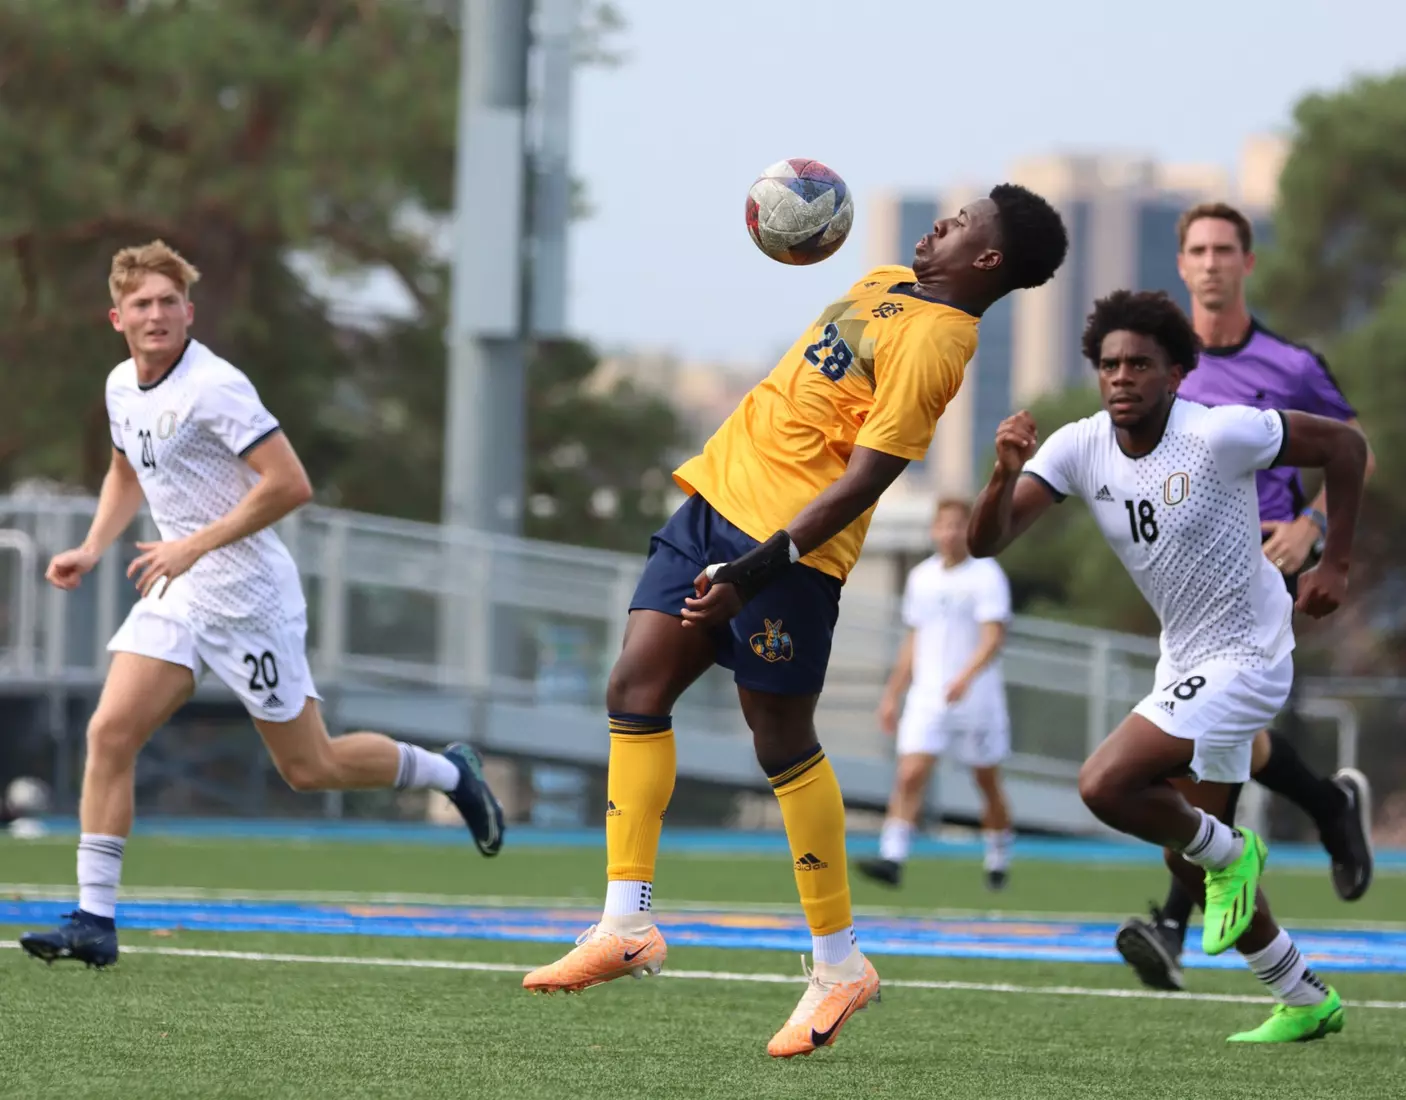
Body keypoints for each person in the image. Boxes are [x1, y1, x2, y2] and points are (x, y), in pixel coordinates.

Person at [520, 185, 1070, 1058]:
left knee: (780, 741)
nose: (943, 223)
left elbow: (865, 481)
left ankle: (839, 965)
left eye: (962, 224)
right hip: (713, 502)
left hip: (788, 556)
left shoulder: (939, 344)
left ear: (989, 261)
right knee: (634, 686)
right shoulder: (889, 279)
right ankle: (625, 923)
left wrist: (752, 572)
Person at [19, 242, 505, 969]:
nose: (156, 315)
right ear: (116, 317)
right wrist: (92, 546)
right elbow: (127, 468)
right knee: (109, 733)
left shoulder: (215, 386)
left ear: (189, 311)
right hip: (179, 593)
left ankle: (450, 773)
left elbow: (290, 484)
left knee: (310, 767)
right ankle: (94, 920)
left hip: (249, 599)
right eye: (141, 305)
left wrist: (192, 545)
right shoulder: (123, 385)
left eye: (168, 302)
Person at [968, 289, 1366, 1043]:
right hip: (1185, 656)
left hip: (1250, 655)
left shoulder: (1220, 434)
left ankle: (1234, 851)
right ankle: (1302, 995)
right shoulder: (1079, 446)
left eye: (1141, 365)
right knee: (1187, 859)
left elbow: (1346, 447)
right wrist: (1001, 472)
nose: (1122, 377)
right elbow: (987, 542)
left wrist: (1334, 562)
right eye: (1110, 365)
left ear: (1178, 374)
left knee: (1106, 783)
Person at [1114, 202, 1375, 993]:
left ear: (1247, 263)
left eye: (1226, 248)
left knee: (1213, 726)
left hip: (1266, 565)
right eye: (1197, 249)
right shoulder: (1166, 369)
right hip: (1186, 570)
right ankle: (1328, 805)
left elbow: (1351, 450)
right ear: (1183, 264)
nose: (1212, 262)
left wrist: (1314, 528)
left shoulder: (1292, 365)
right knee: (1232, 738)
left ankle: (1172, 919)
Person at [858, 498, 1015, 891]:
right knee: (910, 774)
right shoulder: (922, 578)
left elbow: (993, 637)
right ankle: (892, 857)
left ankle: (997, 855)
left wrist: (965, 677)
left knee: (986, 780)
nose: (949, 533)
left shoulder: (986, 574)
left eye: (958, 526)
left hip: (976, 698)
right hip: (928, 696)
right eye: (943, 526)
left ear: (969, 529)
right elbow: (914, 640)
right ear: (934, 530)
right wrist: (893, 694)